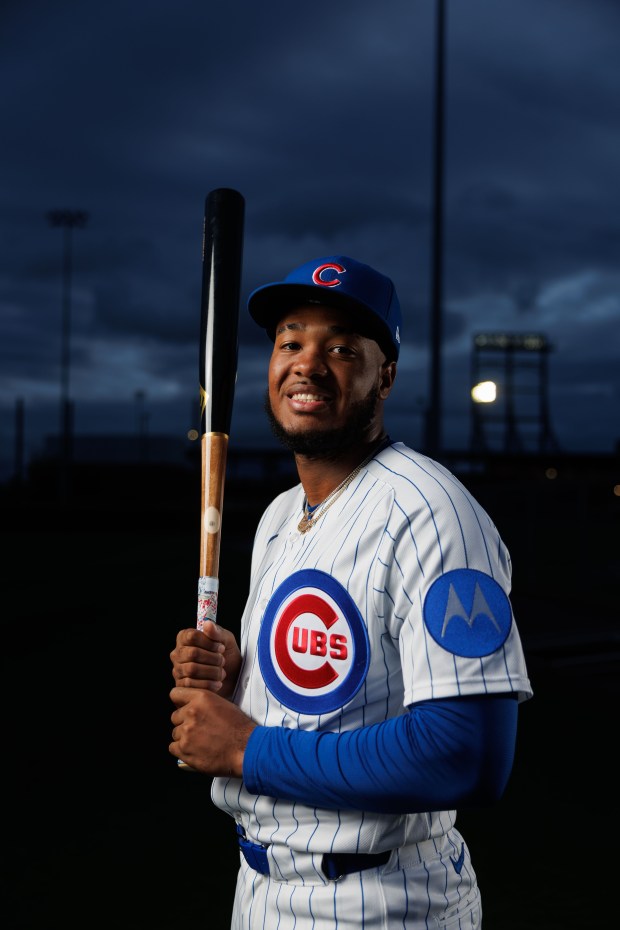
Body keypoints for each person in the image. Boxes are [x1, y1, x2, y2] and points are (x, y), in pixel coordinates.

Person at [169, 254, 533, 929]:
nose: (308, 363)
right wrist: (239, 675)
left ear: (384, 376)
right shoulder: (281, 516)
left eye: (340, 347)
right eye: (291, 341)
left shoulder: (434, 514)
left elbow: (468, 755)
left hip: (382, 900)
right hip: (259, 887)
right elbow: (330, 689)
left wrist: (248, 748)